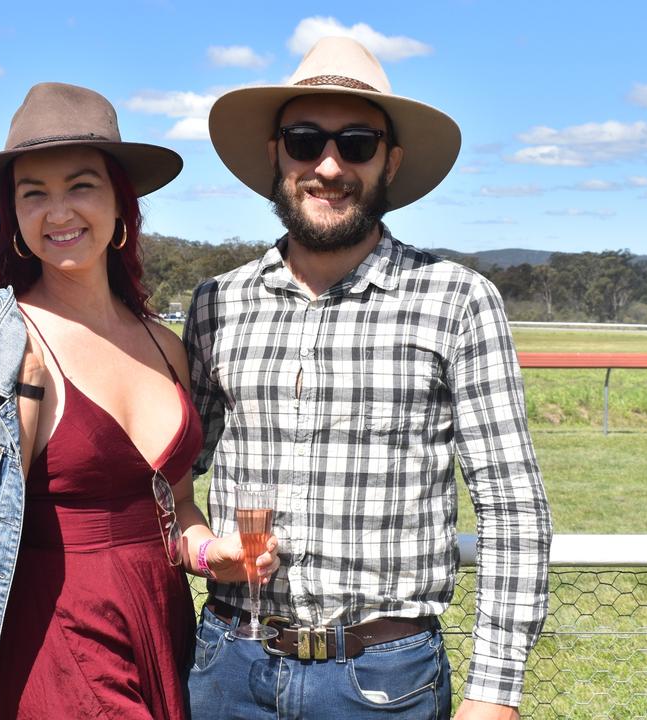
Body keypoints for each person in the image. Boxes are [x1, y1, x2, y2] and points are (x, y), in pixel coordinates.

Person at [0, 82, 277, 720]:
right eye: (33, 194)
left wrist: (217, 555)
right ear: (12, 218)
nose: (59, 212)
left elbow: (175, 508)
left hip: (164, 628)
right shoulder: (7, 353)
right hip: (59, 639)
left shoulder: (163, 344)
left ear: (121, 205)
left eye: (81, 186)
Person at [183, 37, 553, 720]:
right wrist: (205, 549)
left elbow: (512, 507)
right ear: (275, 154)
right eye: (304, 139)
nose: (329, 165)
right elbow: (166, 480)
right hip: (229, 665)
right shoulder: (217, 304)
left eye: (356, 143)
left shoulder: (456, 300)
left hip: (383, 681)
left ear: (391, 161)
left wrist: (495, 692)